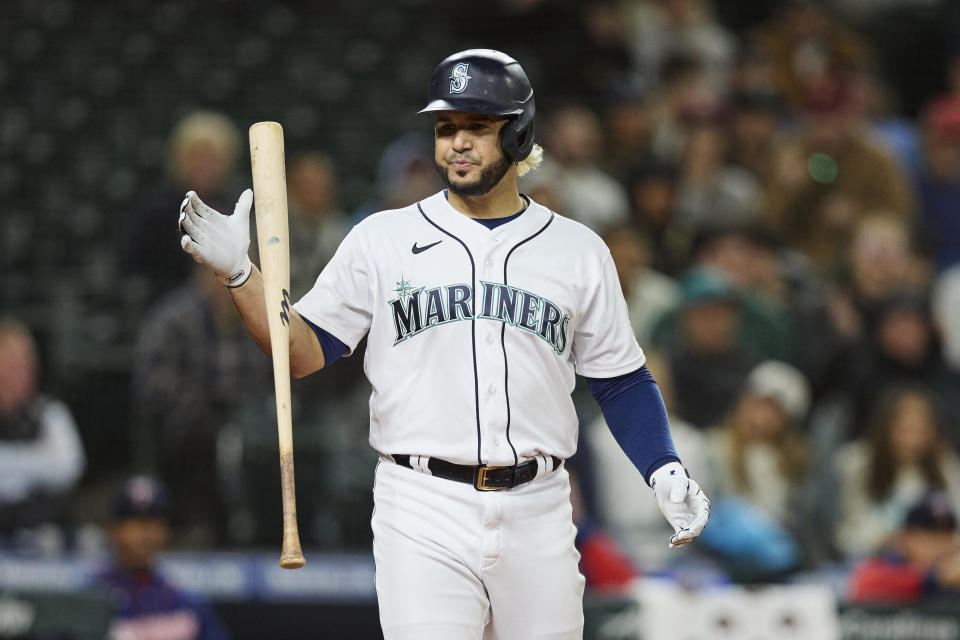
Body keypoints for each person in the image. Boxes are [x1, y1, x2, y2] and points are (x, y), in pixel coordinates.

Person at [178, 49, 709, 639]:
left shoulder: (578, 250)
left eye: (477, 127)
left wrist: (662, 467)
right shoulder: (382, 238)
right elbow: (299, 352)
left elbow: (621, 379)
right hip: (421, 502)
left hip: (539, 507)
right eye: (445, 127)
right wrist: (241, 274)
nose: (457, 142)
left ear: (519, 133)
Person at [94, 476, 229, 640]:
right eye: (136, 523)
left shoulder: (185, 602)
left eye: (154, 523)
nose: (146, 535)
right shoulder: (89, 598)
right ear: (113, 530)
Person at [0, 320, 85, 545]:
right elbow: (51, 467)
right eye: (13, 363)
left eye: (28, 362)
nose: (25, 371)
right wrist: (39, 459)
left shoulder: (51, 413)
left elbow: (68, 468)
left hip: (40, 532)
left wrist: (9, 468)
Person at [849, 491, 960, 604]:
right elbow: (866, 582)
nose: (941, 546)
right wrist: (935, 579)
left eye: (947, 537)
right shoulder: (891, 562)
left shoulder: (955, 572)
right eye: (931, 537)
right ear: (908, 537)